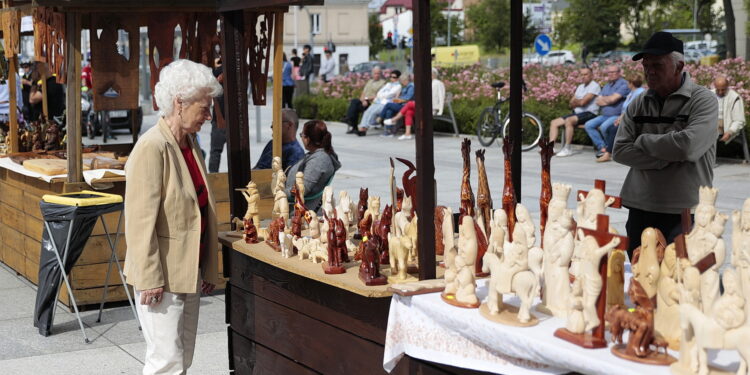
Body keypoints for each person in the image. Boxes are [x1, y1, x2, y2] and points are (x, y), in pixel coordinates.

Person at [123, 59, 223, 375]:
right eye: (204, 107)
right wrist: (150, 278)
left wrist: (207, 268)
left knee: (183, 356)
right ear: (179, 102)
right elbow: (139, 222)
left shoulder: (189, 145)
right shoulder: (152, 147)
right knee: (166, 363)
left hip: (187, 271)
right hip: (162, 277)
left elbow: (197, 212)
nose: (209, 116)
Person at [612, 31, 718, 257]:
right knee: (639, 280)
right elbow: (620, 150)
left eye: (657, 65)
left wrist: (642, 140)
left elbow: (688, 147)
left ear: (679, 66)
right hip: (640, 205)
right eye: (646, 65)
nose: (649, 71)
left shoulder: (702, 100)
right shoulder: (639, 102)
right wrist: (663, 159)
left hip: (684, 209)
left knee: (681, 279)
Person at [285, 120, 341, 213]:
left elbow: (303, 188)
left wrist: (281, 193)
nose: (301, 138)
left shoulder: (319, 160)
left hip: (304, 209)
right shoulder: (317, 155)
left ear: (308, 139)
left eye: (302, 135)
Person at [548, 67, 600, 157]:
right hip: (577, 114)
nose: (583, 77)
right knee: (554, 122)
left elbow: (583, 102)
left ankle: (567, 148)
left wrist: (577, 101)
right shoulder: (580, 87)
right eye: (582, 75)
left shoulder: (595, 86)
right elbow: (571, 103)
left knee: (569, 120)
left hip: (590, 114)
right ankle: (550, 148)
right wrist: (578, 101)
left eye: (586, 74)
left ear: (592, 75)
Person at [583, 65, 630, 162]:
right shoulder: (607, 85)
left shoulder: (624, 84)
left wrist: (607, 99)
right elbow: (598, 101)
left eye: (614, 72)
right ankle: (603, 147)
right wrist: (608, 99)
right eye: (609, 72)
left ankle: (610, 150)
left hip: (617, 115)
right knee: (588, 125)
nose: (611, 74)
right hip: (604, 115)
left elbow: (613, 99)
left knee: (604, 127)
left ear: (619, 72)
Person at [384, 68, 445, 140]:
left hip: (432, 108)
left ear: (432, 74)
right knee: (408, 112)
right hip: (424, 107)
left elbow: (442, 96)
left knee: (409, 103)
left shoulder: (438, 83)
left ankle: (394, 119)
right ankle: (407, 133)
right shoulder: (428, 83)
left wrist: (440, 111)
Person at [356, 69, 403, 136]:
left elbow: (389, 94)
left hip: (385, 103)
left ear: (398, 78)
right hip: (378, 101)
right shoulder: (388, 84)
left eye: (394, 77)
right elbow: (379, 92)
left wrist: (382, 95)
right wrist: (382, 95)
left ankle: (364, 129)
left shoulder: (398, 86)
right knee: (367, 111)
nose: (392, 78)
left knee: (373, 112)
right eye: (391, 76)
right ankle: (362, 127)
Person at [341, 66, 385, 133]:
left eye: (378, 73)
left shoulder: (383, 83)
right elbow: (363, 93)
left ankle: (349, 120)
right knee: (354, 103)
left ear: (380, 74)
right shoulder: (370, 81)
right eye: (375, 73)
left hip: (373, 104)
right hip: (365, 101)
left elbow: (379, 96)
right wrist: (363, 100)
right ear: (372, 74)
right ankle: (352, 123)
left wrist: (366, 99)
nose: (376, 75)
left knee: (355, 105)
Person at [712, 75, 745, 144]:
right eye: (718, 90)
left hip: (727, 127)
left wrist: (730, 132)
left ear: (727, 86)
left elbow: (739, 120)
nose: (720, 92)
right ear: (715, 86)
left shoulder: (735, 97)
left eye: (723, 89)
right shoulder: (709, 94)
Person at [208, 59, 226, 173]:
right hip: (219, 118)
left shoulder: (217, 70)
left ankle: (213, 177)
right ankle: (213, 177)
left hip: (221, 118)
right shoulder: (217, 71)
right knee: (216, 152)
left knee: (215, 152)